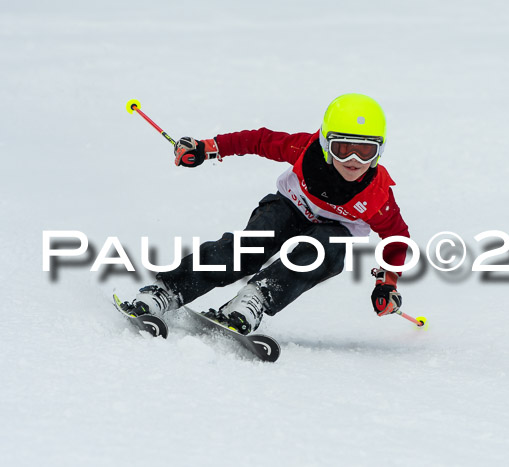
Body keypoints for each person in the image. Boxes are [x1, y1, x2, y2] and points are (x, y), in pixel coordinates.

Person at [119, 93, 410, 335]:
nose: (354, 161)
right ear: (325, 143)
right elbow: (259, 140)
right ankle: (168, 290)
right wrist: (208, 148)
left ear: (379, 151)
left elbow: (397, 238)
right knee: (252, 245)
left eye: (366, 151)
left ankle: (254, 299)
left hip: (335, 231)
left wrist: (388, 282)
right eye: (344, 148)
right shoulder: (304, 150)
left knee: (322, 251)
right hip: (289, 208)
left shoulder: (377, 194)